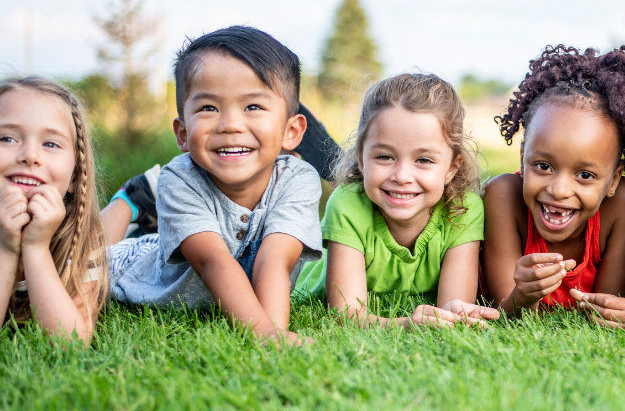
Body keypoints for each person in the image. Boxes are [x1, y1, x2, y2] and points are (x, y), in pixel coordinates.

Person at [102, 26, 323, 345]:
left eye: (253, 106)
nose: (230, 124)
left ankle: (141, 206)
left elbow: (275, 258)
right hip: (133, 266)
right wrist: (263, 334)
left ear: (291, 130)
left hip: (178, 234)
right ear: (182, 133)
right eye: (209, 108)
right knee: (85, 259)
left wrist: (274, 329)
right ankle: (129, 199)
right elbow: (212, 262)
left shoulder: (298, 179)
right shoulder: (180, 178)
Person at [295, 73, 501, 328]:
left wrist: (454, 316)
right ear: (360, 158)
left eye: (423, 160)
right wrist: (404, 324)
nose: (402, 176)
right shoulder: (346, 204)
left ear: (452, 168)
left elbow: (452, 308)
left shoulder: (464, 208)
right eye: (384, 156)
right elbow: (347, 316)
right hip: (308, 292)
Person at [482, 45, 625, 328]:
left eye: (585, 175)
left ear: (614, 180)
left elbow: (606, 305)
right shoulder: (503, 195)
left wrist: (616, 314)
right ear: (523, 157)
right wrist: (523, 296)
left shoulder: (624, 202)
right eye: (543, 166)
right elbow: (502, 313)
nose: (559, 190)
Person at [0, 77, 108, 343]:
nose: (29, 155)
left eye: (50, 144)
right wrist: (6, 249)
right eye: (6, 138)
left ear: (74, 177)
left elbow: (71, 342)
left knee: (126, 246)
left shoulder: (83, 234)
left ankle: (131, 200)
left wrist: (36, 248)